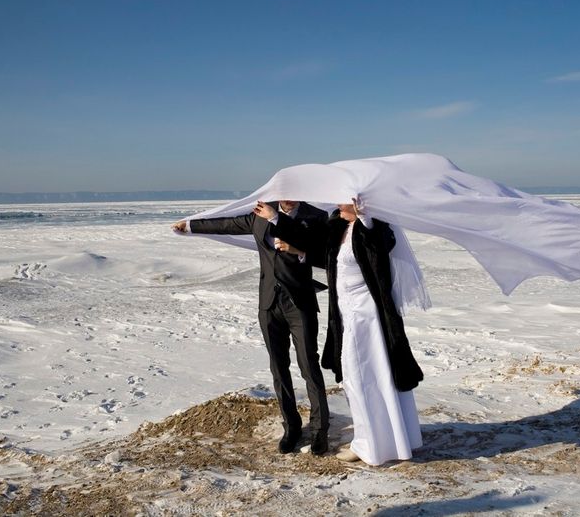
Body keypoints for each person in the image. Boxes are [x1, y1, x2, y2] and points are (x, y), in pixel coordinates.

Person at [171, 200, 330, 455]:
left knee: (308, 365)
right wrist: (190, 226)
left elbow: (325, 254)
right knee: (278, 368)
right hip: (268, 302)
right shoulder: (260, 214)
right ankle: (291, 427)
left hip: (299, 302)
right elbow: (225, 224)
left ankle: (321, 429)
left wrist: (287, 233)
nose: (286, 197)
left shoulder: (316, 216)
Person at [275, 199, 423, 465]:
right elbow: (328, 257)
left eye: (346, 200)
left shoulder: (373, 230)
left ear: (361, 204)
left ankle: (370, 445)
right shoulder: (339, 227)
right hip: (346, 315)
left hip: (366, 319)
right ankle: (380, 439)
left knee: (364, 378)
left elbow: (378, 246)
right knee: (358, 380)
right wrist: (286, 232)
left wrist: (366, 218)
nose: (338, 205)